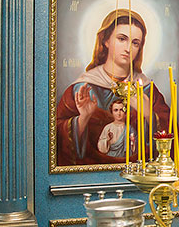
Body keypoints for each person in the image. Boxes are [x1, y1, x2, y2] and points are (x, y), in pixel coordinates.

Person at [55, 9, 170, 166]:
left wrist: (149, 114)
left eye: (135, 43)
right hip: (91, 174)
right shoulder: (82, 88)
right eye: (122, 39)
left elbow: (173, 140)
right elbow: (55, 140)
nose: (128, 48)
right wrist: (83, 119)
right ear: (106, 40)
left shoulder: (147, 90)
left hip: (139, 172)